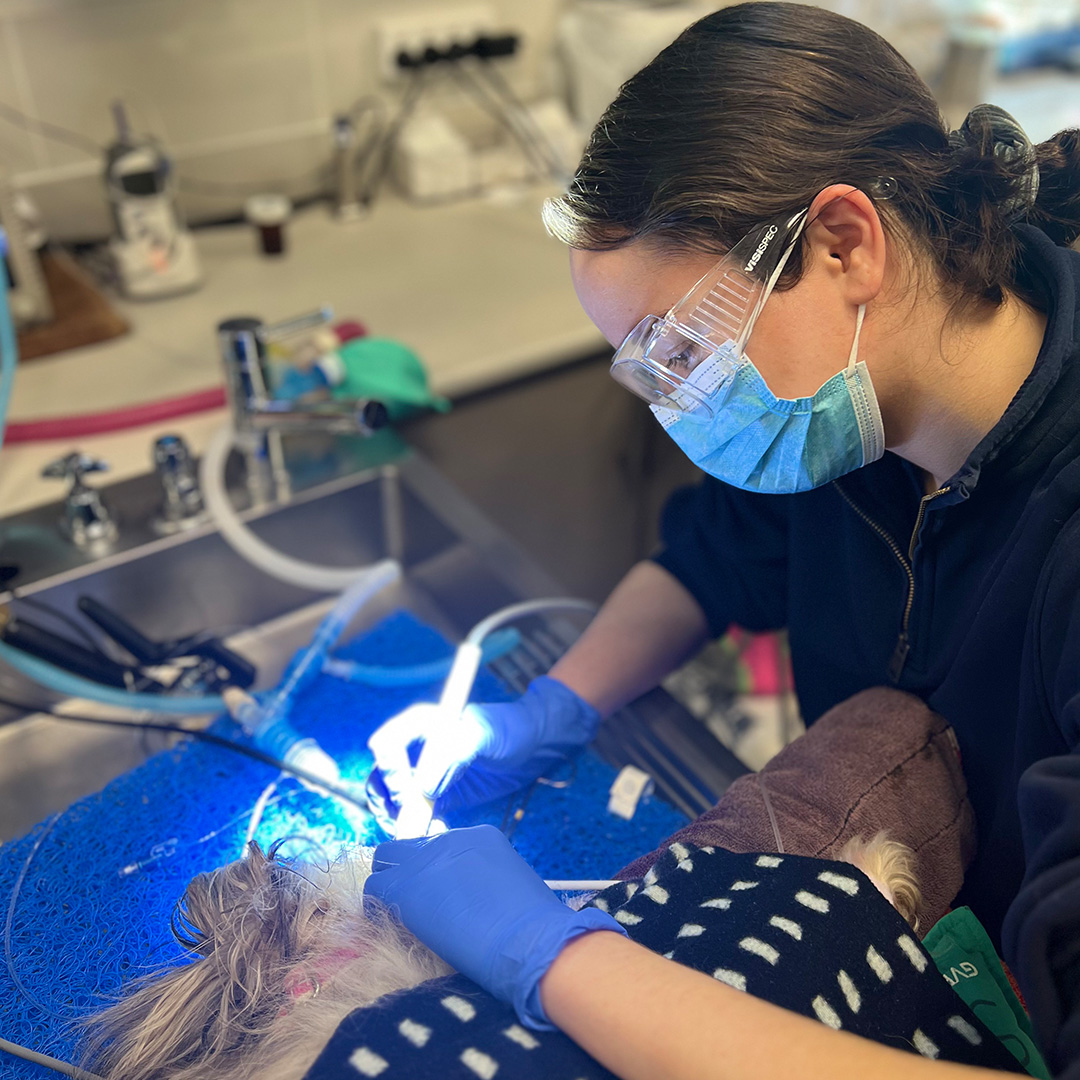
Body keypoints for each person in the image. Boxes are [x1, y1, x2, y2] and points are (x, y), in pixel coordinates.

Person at [364, 3, 1080, 1076]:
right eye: (645, 369)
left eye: (684, 348)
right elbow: (715, 554)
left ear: (846, 244)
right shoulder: (860, 409)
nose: (678, 409)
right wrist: (551, 709)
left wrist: (555, 958)